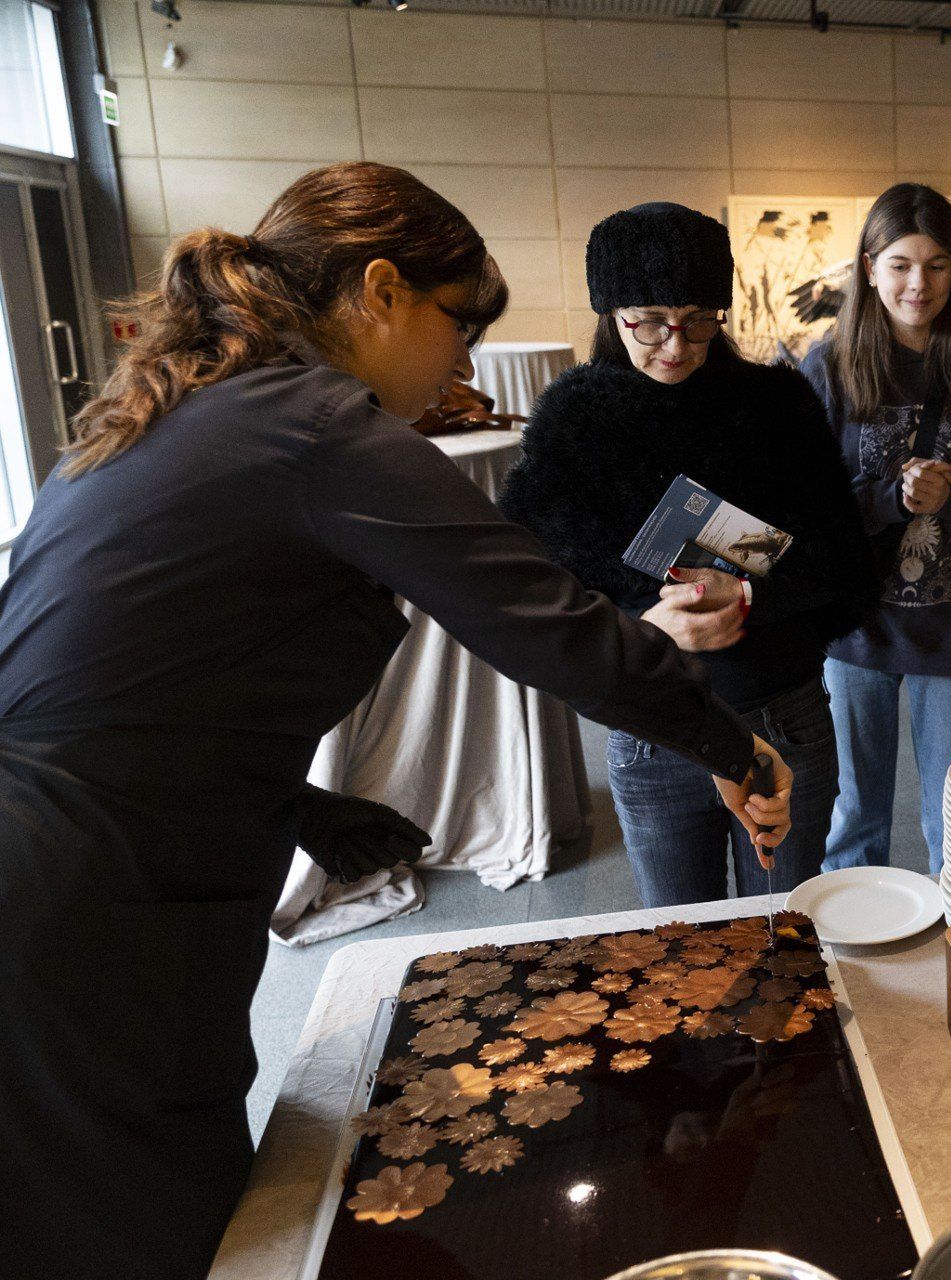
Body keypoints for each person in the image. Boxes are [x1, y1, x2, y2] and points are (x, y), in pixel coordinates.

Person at [0, 163, 792, 1280]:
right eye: (460, 324)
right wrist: (732, 743)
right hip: (81, 900)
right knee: (137, 1224)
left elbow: (153, 679)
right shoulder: (313, 425)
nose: (466, 363)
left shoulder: (204, 401)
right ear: (380, 289)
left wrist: (304, 805)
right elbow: (542, 618)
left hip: (94, 864)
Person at [500, 203, 877, 907]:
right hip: (654, 729)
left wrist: (753, 595)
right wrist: (644, 621)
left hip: (779, 714)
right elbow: (537, 590)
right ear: (611, 313)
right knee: (681, 954)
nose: (675, 344)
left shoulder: (775, 407)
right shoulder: (573, 424)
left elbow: (846, 565)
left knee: (788, 934)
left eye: (699, 318)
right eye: (649, 321)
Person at [801, 183, 951, 876]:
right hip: (855, 627)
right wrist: (889, 499)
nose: (919, 283)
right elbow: (804, 511)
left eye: (938, 265)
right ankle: (849, 959)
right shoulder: (830, 368)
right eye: (902, 264)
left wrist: (950, 499)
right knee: (852, 816)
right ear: (870, 266)